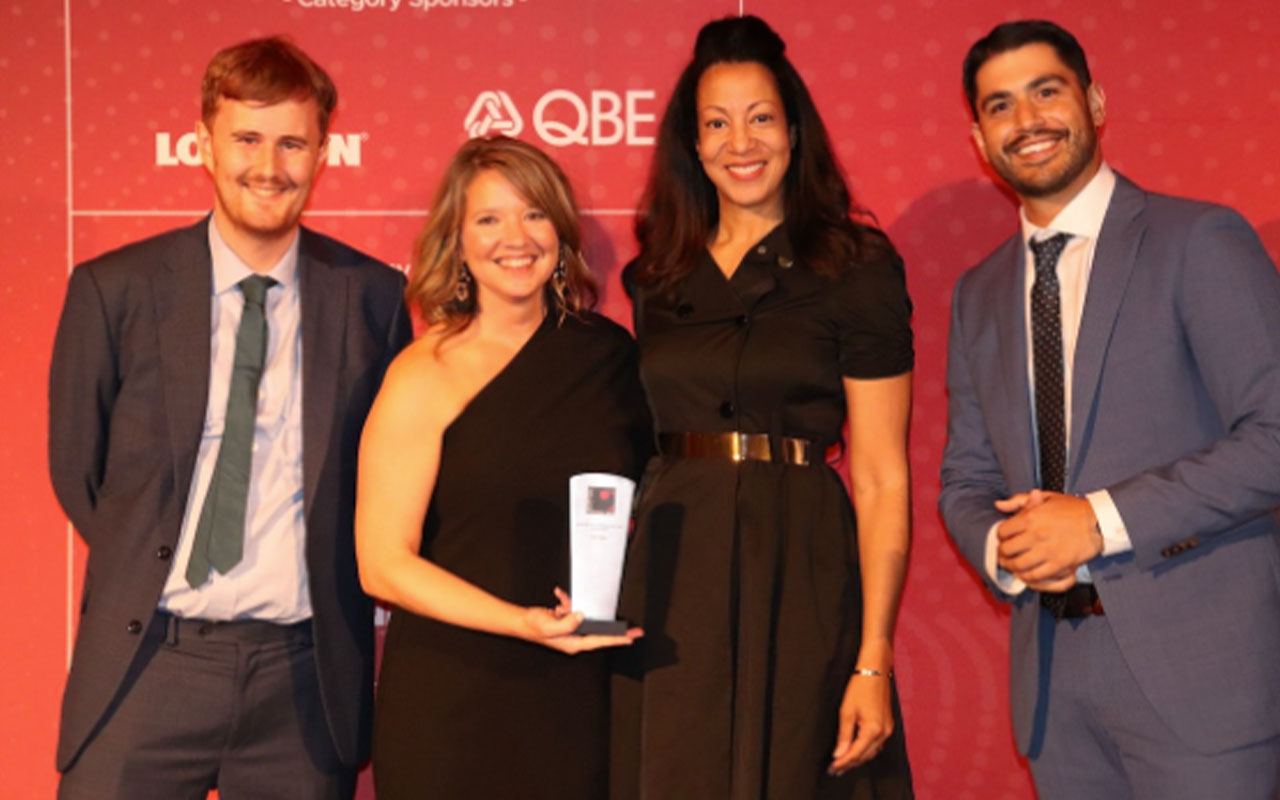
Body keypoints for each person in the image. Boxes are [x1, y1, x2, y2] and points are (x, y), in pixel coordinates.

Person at [47, 37, 411, 798]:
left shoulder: (373, 299)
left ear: (322, 154)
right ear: (204, 144)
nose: (268, 165)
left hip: (303, 685)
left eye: (292, 143)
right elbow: (79, 471)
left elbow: (390, 481)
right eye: (247, 138)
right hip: (148, 664)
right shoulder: (114, 289)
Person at [939, 19, 1280, 798]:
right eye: (1000, 106)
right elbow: (966, 477)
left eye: (1046, 91)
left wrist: (1098, 521)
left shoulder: (1197, 239)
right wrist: (1008, 548)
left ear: (1094, 102)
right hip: (1055, 689)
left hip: (1202, 679)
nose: (1027, 120)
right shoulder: (978, 293)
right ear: (979, 139)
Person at [613, 15, 915, 799]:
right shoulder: (656, 277)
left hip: (800, 561)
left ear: (793, 130)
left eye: (760, 118)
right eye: (717, 123)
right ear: (693, 143)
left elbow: (882, 476)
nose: (740, 143)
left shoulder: (856, 267)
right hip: (675, 570)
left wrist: (873, 658)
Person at [355, 135, 653, 799]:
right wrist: (521, 622)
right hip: (452, 700)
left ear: (560, 232)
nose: (515, 238)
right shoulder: (422, 372)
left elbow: (659, 503)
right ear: (457, 241)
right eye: (489, 219)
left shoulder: (611, 358)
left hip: (581, 694)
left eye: (534, 214)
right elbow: (382, 564)